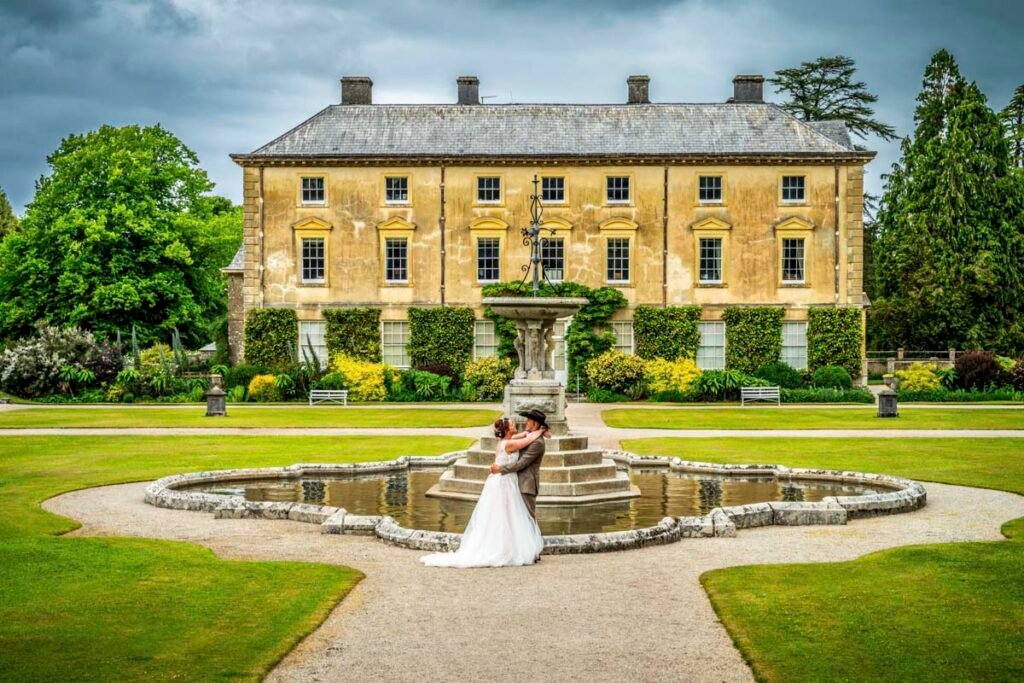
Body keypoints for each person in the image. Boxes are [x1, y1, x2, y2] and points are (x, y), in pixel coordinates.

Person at [420, 411, 548, 568]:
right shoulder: (510, 443)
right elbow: (525, 441)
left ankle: (521, 549)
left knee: (516, 517)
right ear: (508, 430)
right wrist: (540, 431)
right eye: (513, 425)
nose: (522, 423)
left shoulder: (514, 441)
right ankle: (514, 549)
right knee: (509, 517)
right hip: (505, 482)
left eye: (528, 420)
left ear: (535, 422)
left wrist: (540, 432)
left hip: (514, 482)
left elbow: (523, 449)